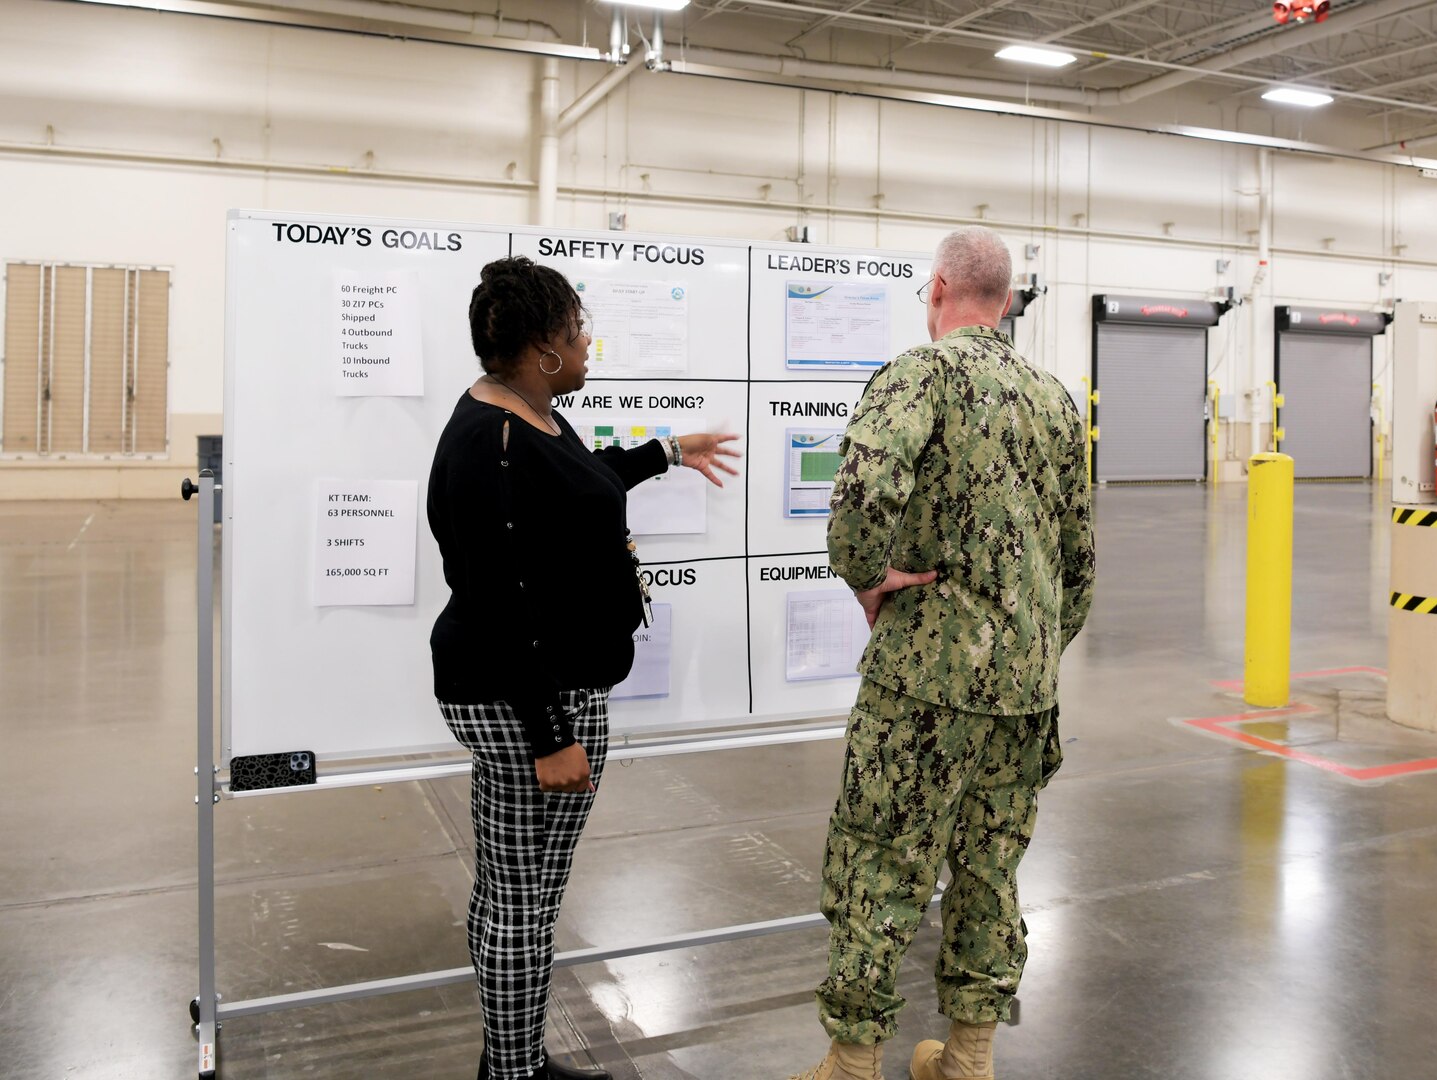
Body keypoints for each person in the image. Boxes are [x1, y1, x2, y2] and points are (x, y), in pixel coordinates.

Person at [787, 227, 1095, 1080]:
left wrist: (867, 578)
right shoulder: (1054, 398)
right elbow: (1079, 562)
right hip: (1025, 695)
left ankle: (852, 1063)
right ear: (1006, 298)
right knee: (990, 869)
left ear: (938, 289)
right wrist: (1031, 649)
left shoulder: (920, 374)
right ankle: (967, 1060)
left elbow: (860, 493)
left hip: (923, 682)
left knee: (879, 859)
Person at [427, 256, 739, 1080]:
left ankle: (515, 1060)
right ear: (542, 349)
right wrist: (550, 734)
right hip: (526, 703)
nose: (587, 343)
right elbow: (500, 602)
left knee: (518, 894)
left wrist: (667, 451)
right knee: (522, 906)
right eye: (575, 332)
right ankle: (515, 1075)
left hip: (552, 691)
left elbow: (582, 482)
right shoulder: (487, 443)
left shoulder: (527, 412)